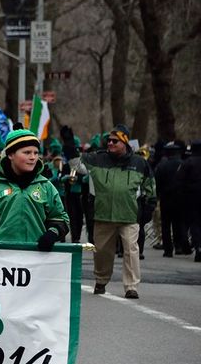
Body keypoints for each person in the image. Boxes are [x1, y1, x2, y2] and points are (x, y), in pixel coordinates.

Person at [62, 124, 156, 299]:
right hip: (103, 215)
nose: (110, 143)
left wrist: (149, 208)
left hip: (129, 216)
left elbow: (150, 186)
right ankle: (101, 280)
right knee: (103, 252)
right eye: (109, 140)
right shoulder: (97, 159)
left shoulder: (139, 163)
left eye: (115, 141)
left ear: (125, 142)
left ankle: (131, 286)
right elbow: (77, 165)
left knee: (131, 250)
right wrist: (68, 144)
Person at [0, 128, 69, 251]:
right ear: (10, 154)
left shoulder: (46, 186)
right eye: (27, 152)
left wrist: (52, 233)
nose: (33, 157)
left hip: (37, 258)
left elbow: (60, 218)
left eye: (36, 153)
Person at [154, 141, 191, 257]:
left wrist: (158, 195)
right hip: (180, 198)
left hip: (165, 198)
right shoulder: (183, 164)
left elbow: (157, 183)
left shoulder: (161, 166)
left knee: (165, 224)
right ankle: (178, 246)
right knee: (178, 223)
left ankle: (168, 249)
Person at [177, 139, 201, 262]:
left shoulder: (187, 163)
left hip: (191, 197)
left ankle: (198, 247)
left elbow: (180, 180)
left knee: (195, 223)